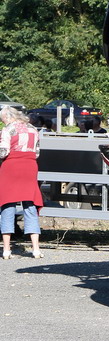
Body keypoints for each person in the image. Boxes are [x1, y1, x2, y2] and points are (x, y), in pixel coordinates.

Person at [0, 106, 44, 259]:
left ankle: (6, 250)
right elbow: (37, 153)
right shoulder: (33, 128)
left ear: (7, 117)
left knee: (7, 205)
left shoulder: (8, 129)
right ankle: (36, 249)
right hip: (30, 167)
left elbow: (3, 151)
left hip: (11, 167)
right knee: (30, 205)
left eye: (3, 119)